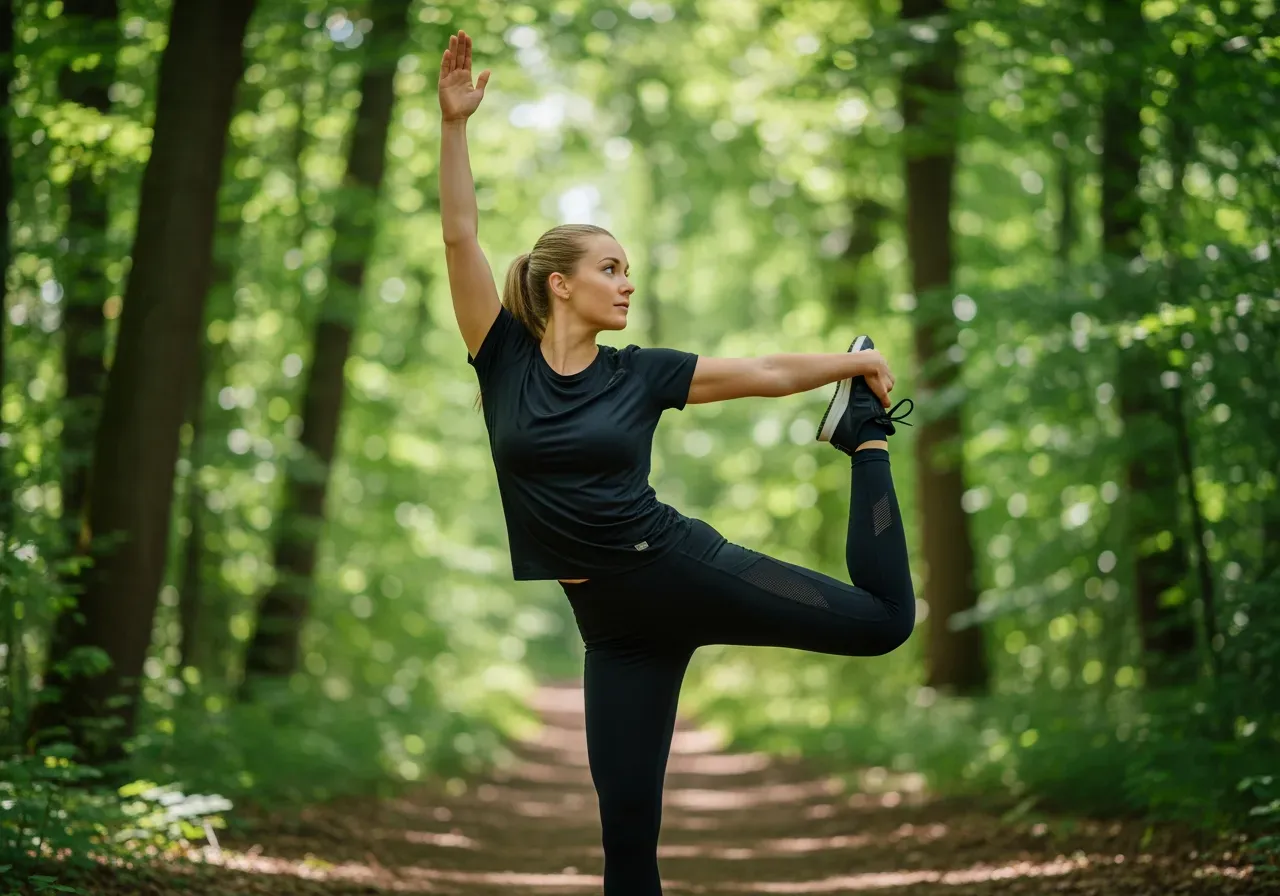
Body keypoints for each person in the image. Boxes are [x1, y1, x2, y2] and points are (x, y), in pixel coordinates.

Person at [438, 30, 916, 895]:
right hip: (614, 634)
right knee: (626, 835)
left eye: (630, 270)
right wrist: (453, 127)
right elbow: (459, 238)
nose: (626, 283)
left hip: (678, 569)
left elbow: (764, 374)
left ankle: (866, 439)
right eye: (611, 269)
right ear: (559, 283)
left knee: (885, 624)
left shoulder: (641, 373)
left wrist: (851, 368)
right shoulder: (502, 359)